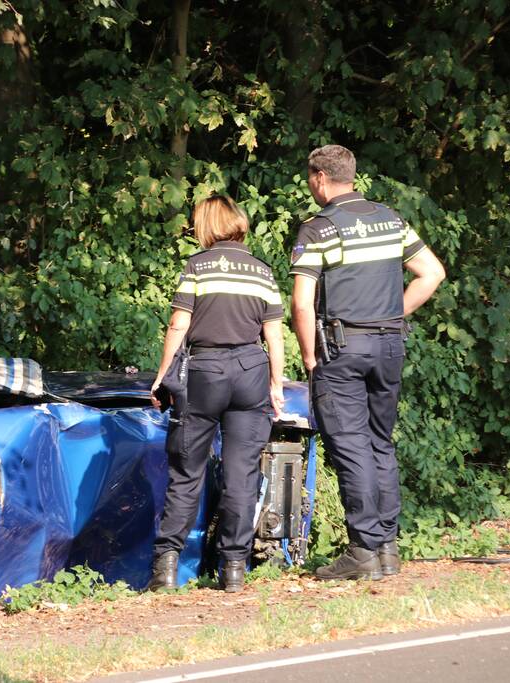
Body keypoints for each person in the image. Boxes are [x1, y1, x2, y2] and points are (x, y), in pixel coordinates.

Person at [289, 144, 446, 580]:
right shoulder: (390, 219)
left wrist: (309, 356)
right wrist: (393, 314)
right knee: (380, 441)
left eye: (311, 179)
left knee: (351, 445)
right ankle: (387, 548)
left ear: (320, 178)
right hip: (390, 345)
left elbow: (301, 304)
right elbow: (432, 273)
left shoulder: (318, 229)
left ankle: (362, 550)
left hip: (342, 349)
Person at [148, 194, 286, 593]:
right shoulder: (261, 271)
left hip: (204, 373)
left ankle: (166, 568)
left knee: (187, 471)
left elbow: (178, 324)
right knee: (242, 474)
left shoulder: (198, 266)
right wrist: (276, 384)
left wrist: (162, 377)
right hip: (251, 371)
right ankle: (233, 570)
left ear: (206, 225)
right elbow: (274, 335)